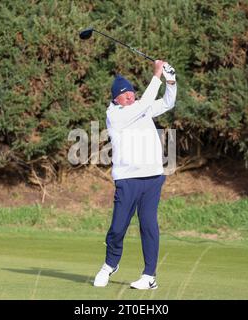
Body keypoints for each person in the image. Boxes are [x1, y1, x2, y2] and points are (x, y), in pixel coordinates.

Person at [93, 60, 177, 290]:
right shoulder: (114, 115)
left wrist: (171, 81)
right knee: (118, 227)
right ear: (115, 100)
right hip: (127, 180)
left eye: (131, 92)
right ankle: (110, 265)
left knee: (148, 224)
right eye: (123, 94)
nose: (129, 96)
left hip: (152, 178)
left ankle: (149, 276)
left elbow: (169, 102)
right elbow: (145, 102)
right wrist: (157, 74)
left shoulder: (143, 106)